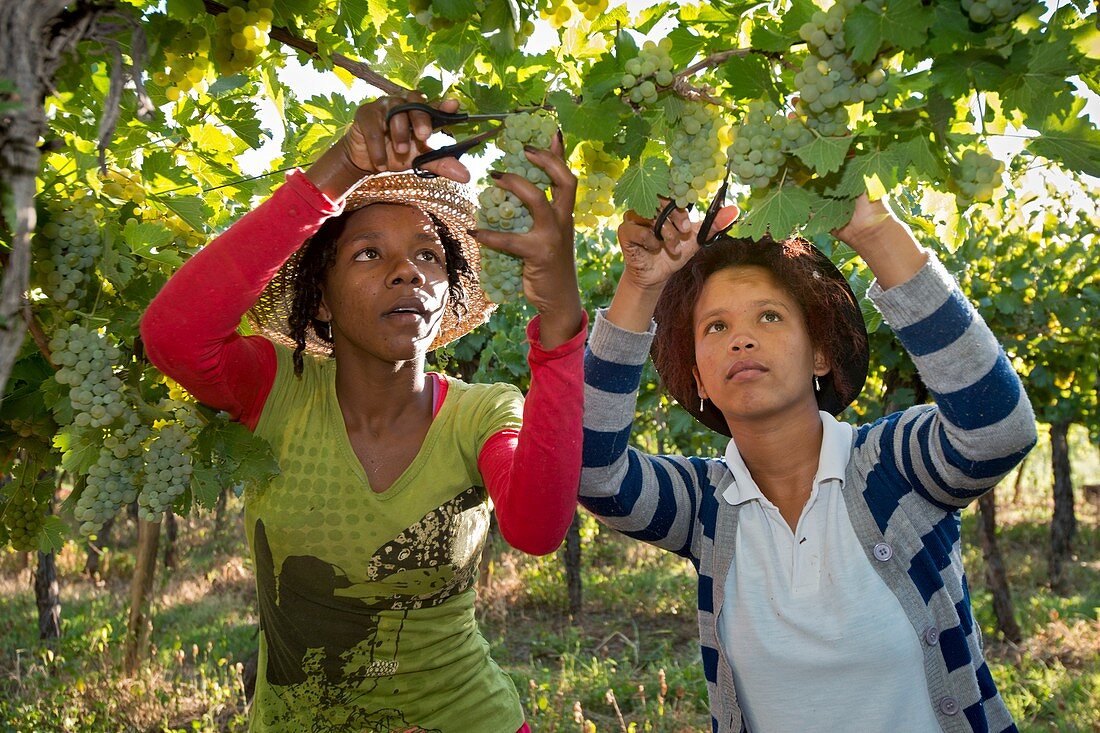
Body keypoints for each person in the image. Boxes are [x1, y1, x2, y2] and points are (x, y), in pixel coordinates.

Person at [141, 95, 586, 733]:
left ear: (449, 290)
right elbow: (173, 336)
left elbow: (537, 529)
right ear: (319, 300)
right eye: (369, 254)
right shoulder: (277, 390)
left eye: (429, 255)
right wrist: (341, 168)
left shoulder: (481, 412)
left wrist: (562, 320)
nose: (408, 271)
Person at [578, 193, 1037, 733]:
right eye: (715, 327)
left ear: (820, 354)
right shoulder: (705, 506)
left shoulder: (895, 466)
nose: (741, 339)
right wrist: (639, 286)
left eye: (769, 316)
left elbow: (998, 433)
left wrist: (873, 230)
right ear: (699, 379)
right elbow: (592, 472)